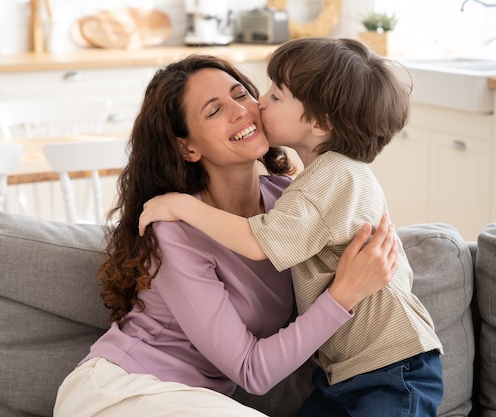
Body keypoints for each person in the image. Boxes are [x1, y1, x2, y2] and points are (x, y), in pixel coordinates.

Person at [54, 54, 398, 417]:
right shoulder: (174, 229)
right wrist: (344, 295)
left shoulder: (291, 204)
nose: (241, 111)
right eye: (214, 111)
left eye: (241, 94)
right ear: (188, 147)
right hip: (122, 392)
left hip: (198, 402)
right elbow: (253, 370)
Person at [139, 38, 444, 416]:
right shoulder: (312, 184)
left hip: (391, 366)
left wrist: (183, 205)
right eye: (216, 109)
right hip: (346, 373)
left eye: (275, 95)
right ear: (186, 147)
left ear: (319, 122)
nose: (258, 103)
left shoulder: (331, 179)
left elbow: (256, 241)